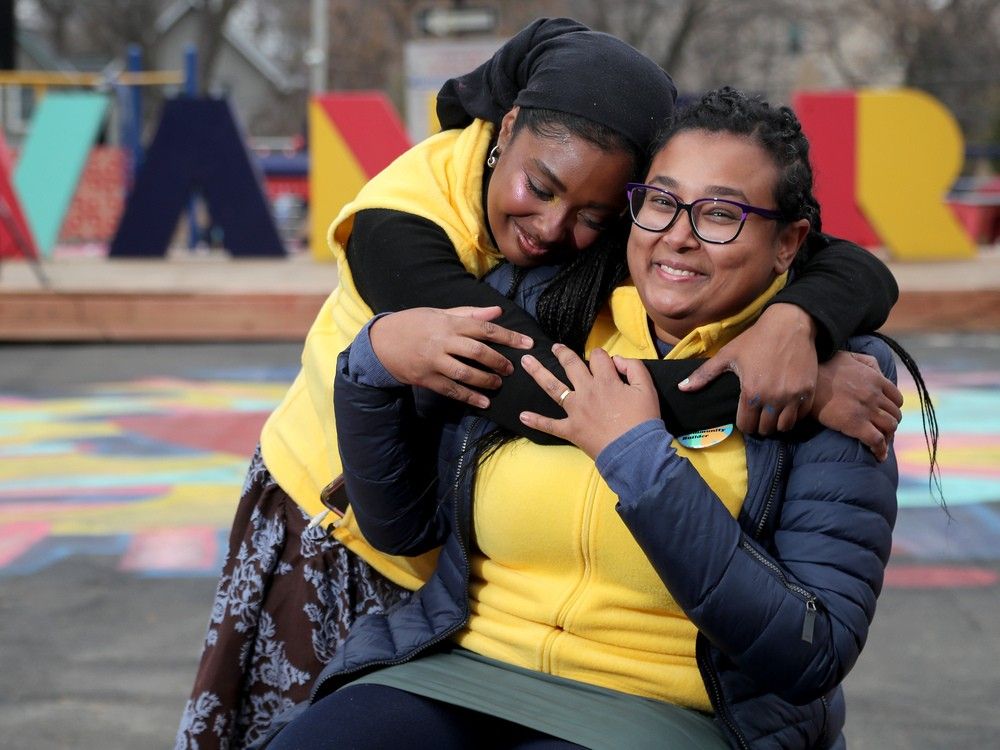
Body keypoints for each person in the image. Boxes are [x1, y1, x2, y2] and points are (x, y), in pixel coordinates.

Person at [176, 20, 901, 750]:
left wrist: (801, 324)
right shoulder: (424, 234)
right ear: (509, 129)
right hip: (332, 522)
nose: (554, 229)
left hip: (649, 696)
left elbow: (849, 263)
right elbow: (531, 387)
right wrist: (373, 358)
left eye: (720, 214)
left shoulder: (808, 350)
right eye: (662, 204)